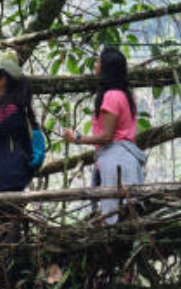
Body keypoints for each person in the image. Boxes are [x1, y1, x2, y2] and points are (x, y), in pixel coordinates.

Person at [63, 46, 146, 224]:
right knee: (127, 216)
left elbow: (107, 137)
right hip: (127, 160)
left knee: (114, 216)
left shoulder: (111, 96)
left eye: (99, 61)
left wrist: (77, 138)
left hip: (116, 161)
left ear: (106, 67)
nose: (95, 64)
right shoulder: (125, 94)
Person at [0, 54, 35, 242]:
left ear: (3, 79)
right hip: (1, 176)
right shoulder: (0, 106)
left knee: (6, 229)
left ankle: (12, 268)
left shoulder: (10, 109)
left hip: (8, 176)